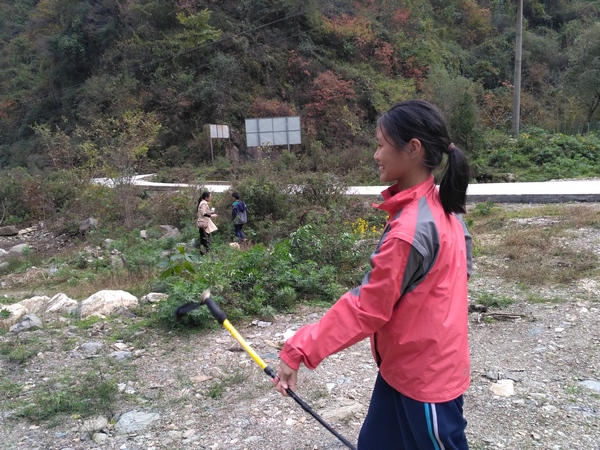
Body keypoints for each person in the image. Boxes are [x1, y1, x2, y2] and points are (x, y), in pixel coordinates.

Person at [272, 100, 473, 450]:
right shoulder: (440, 204)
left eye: (380, 145)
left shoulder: (409, 228)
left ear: (412, 149)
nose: (376, 155)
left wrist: (299, 347)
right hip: (400, 371)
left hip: (426, 382)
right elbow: (463, 265)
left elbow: (366, 308)